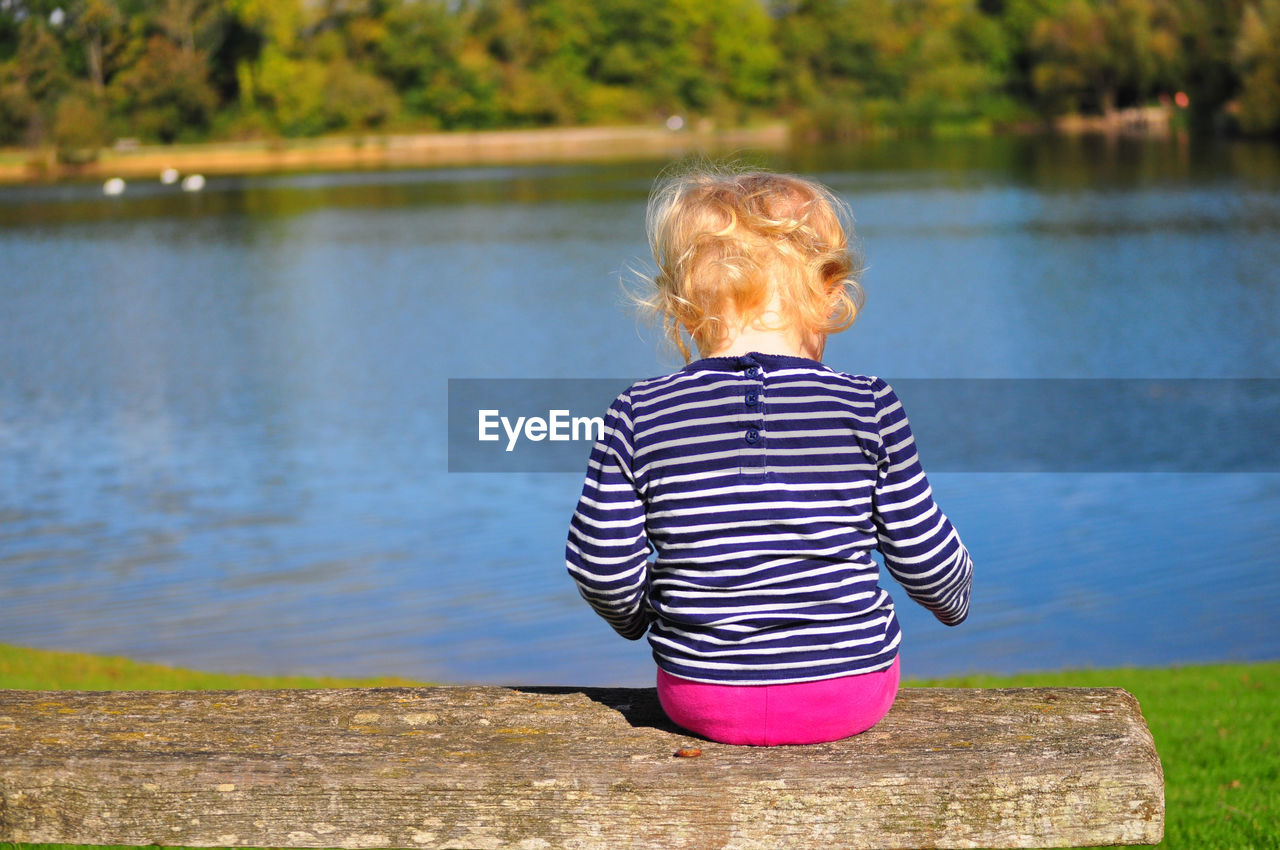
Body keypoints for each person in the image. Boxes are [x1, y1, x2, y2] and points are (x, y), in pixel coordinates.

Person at [565, 164, 973, 747]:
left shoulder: (639, 412)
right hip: (849, 690)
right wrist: (956, 600)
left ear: (680, 306)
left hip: (701, 695)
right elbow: (922, 552)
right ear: (831, 294)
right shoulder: (867, 405)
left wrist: (641, 620)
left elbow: (600, 563)